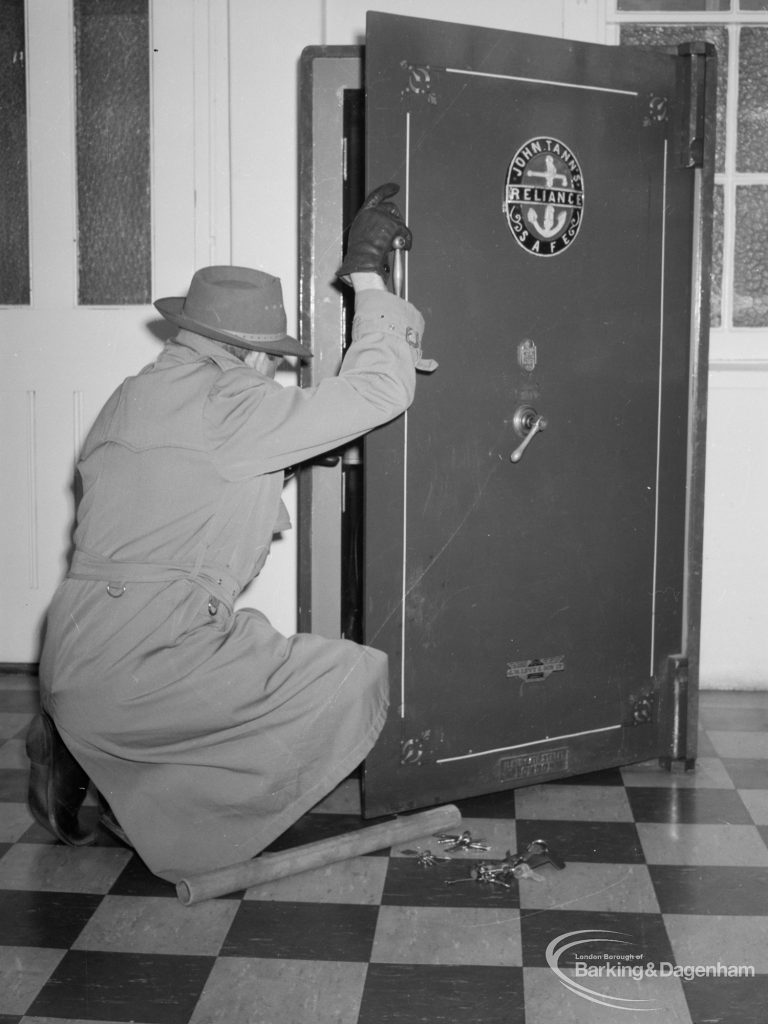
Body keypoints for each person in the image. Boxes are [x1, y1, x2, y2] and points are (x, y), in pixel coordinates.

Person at [28, 184, 425, 882]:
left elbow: (182, 490)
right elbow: (378, 392)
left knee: (244, 653)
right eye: (272, 356)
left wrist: (289, 454)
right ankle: (185, 823)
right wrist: (367, 271)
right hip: (145, 657)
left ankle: (82, 749)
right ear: (244, 354)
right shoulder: (232, 401)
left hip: (75, 647)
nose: (274, 370)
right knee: (353, 678)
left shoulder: (136, 395)